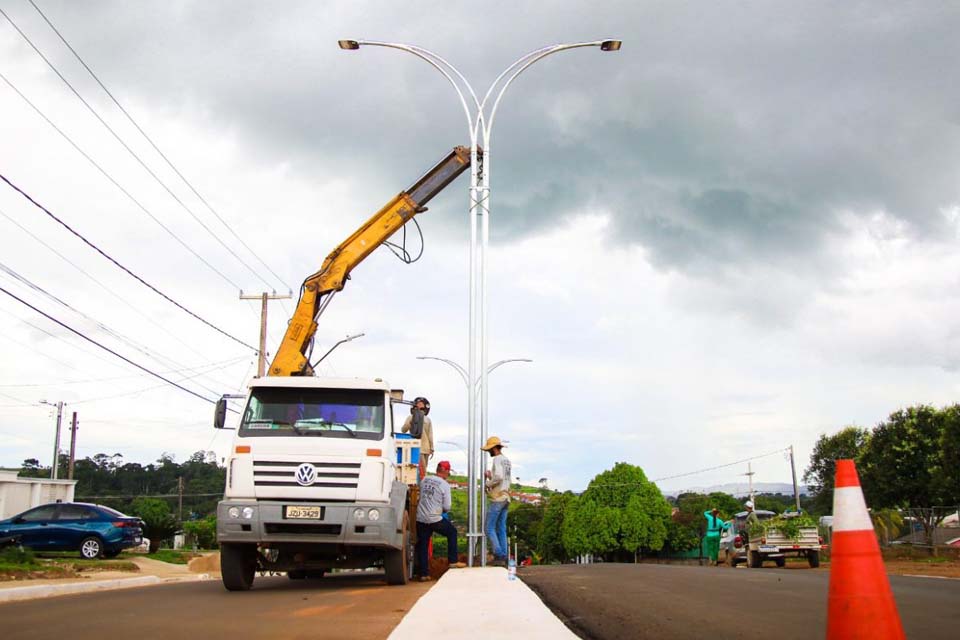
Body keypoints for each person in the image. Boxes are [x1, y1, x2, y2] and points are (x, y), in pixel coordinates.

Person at [415, 460, 466, 582]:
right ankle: (452, 562)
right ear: (446, 471)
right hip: (435, 519)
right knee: (452, 532)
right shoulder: (444, 485)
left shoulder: (425, 480)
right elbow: (447, 507)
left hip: (421, 518)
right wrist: (440, 509)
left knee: (423, 544)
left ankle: (424, 574)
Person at [482, 435, 512, 566]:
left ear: (493, 448)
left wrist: (488, 483)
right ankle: (504, 555)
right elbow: (503, 477)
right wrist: (492, 476)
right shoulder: (506, 460)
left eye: (489, 449)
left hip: (498, 497)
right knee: (501, 527)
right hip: (506, 496)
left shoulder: (497, 460)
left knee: (489, 528)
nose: (488, 452)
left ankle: (499, 554)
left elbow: (498, 477)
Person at [402, 397, 434, 478]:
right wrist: (432, 448)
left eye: (421, 408)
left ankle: (420, 486)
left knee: (421, 471)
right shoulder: (412, 417)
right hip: (419, 448)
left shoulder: (425, 419)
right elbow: (404, 430)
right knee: (420, 471)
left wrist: (432, 448)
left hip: (421, 448)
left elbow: (430, 434)